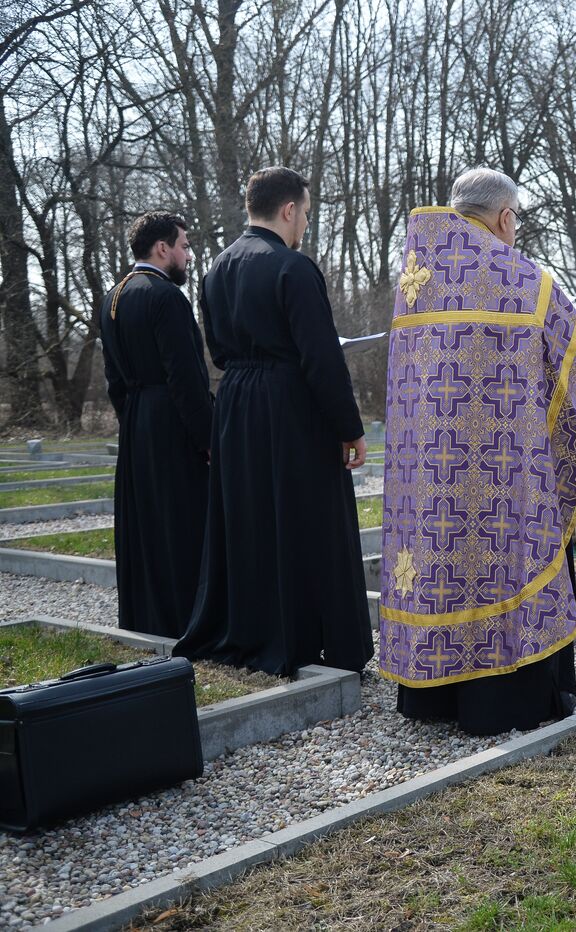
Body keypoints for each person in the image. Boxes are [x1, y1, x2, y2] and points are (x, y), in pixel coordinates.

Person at [378, 168, 576, 735]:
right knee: (500, 565)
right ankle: (503, 700)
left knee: (439, 563)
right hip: (501, 474)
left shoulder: (416, 281)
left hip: (430, 477)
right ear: (504, 218)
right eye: (517, 219)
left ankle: (431, 699)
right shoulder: (523, 278)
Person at [176, 167, 373, 677]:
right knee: (305, 514)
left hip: (236, 402)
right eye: (305, 212)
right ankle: (307, 637)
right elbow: (321, 361)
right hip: (288, 404)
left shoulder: (215, 270)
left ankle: (252, 627)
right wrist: (349, 427)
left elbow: (217, 350)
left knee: (251, 515)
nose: (305, 222)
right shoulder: (292, 267)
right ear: (288, 210)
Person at [99, 211, 213, 638]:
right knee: (180, 524)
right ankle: (186, 621)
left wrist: (132, 422)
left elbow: (114, 380)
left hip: (135, 423)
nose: (187, 254)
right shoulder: (166, 297)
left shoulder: (113, 296)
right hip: (170, 424)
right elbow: (186, 379)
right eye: (183, 246)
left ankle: (148, 621)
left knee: (147, 526)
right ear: (162, 248)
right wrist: (207, 438)